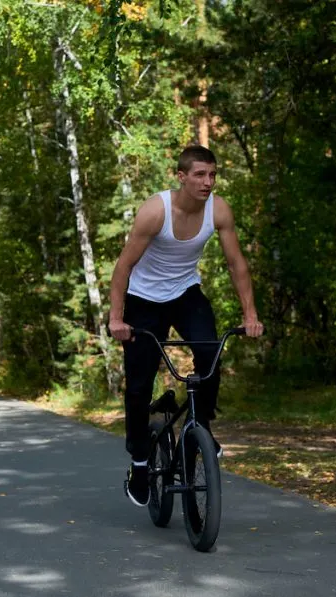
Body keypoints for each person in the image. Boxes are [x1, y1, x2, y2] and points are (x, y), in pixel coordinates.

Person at [108, 145, 264, 507]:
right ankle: (141, 462)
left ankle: (202, 427)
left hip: (185, 292)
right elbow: (122, 268)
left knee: (210, 352)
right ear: (180, 176)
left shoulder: (219, 209)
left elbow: (236, 264)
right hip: (144, 299)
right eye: (199, 174)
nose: (207, 182)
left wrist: (250, 315)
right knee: (139, 384)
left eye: (212, 174)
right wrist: (117, 318)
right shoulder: (155, 211)